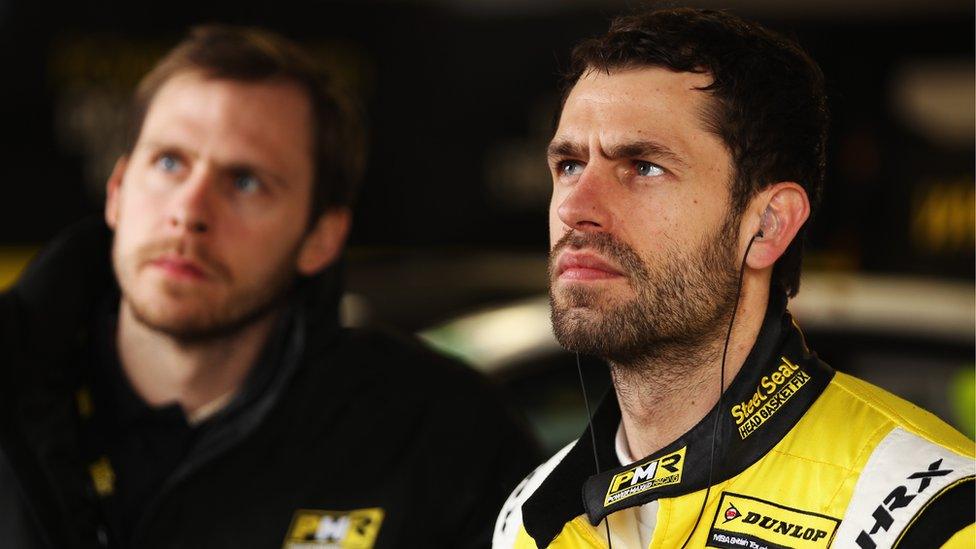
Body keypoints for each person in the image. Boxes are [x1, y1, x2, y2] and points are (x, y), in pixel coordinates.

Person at [0, 25, 538, 549]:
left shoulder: (443, 440)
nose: (189, 211)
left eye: (245, 181)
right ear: (117, 191)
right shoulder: (16, 380)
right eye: (169, 163)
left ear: (321, 239)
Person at [494, 8, 974, 549]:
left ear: (767, 226)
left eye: (643, 166)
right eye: (569, 165)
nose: (576, 208)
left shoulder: (931, 519)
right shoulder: (528, 517)